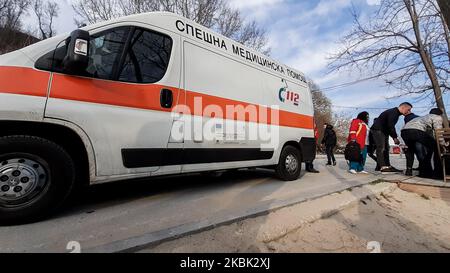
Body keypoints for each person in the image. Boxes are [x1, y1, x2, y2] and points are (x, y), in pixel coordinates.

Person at [401, 108, 444, 178]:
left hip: (404, 132)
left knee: (412, 150)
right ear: (439, 114)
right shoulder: (437, 117)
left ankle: (421, 172)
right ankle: (438, 173)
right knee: (436, 146)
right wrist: (442, 143)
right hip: (416, 131)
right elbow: (439, 131)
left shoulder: (423, 117)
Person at [370, 102, 413, 173]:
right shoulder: (394, 112)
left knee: (386, 148)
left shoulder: (395, 113)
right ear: (403, 107)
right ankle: (382, 167)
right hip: (378, 130)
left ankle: (386, 166)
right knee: (381, 148)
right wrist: (394, 137)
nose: (409, 112)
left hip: (384, 131)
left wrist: (393, 136)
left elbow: (389, 126)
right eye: (408, 109)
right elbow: (390, 126)